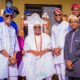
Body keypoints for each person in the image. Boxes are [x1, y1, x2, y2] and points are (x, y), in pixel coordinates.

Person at [19, 13, 54, 80]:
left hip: (43, 57)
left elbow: (49, 48)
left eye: (39, 27)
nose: (37, 28)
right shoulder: (29, 37)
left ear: (41, 27)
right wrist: (35, 52)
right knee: (30, 61)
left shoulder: (46, 36)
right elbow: (27, 49)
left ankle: (43, 76)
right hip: (33, 57)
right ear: (33, 28)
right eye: (35, 27)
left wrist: (42, 52)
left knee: (47, 60)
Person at [0, 8, 19, 80]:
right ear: (3, 16)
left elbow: (16, 46)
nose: (9, 17)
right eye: (7, 16)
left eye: (11, 16)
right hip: (2, 58)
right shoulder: (0, 26)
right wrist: (9, 57)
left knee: (13, 77)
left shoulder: (13, 29)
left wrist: (13, 57)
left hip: (12, 60)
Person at [51, 8, 70, 80]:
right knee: (58, 72)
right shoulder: (53, 26)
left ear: (62, 15)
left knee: (63, 72)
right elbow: (52, 39)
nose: (58, 16)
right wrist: (54, 49)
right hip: (56, 53)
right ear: (54, 16)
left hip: (64, 52)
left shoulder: (67, 25)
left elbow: (68, 38)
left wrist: (60, 48)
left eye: (59, 14)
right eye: (56, 15)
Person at [64, 15, 80, 80]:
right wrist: (67, 61)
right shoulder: (67, 35)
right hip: (68, 65)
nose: (73, 23)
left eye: (75, 22)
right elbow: (65, 49)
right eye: (71, 22)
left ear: (78, 23)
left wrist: (72, 61)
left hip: (78, 63)